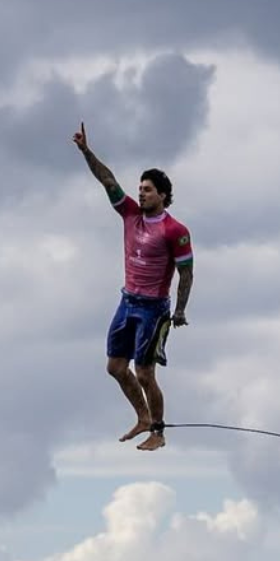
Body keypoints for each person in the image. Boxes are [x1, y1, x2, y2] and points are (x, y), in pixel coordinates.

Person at [73, 122, 194, 451]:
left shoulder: (175, 230)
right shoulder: (129, 214)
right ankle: (142, 417)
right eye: (140, 188)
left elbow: (186, 272)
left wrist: (180, 310)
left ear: (163, 196)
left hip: (154, 309)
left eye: (148, 190)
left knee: (144, 372)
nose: (141, 193)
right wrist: (86, 151)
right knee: (115, 367)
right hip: (127, 302)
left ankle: (158, 431)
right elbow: (107, 180)